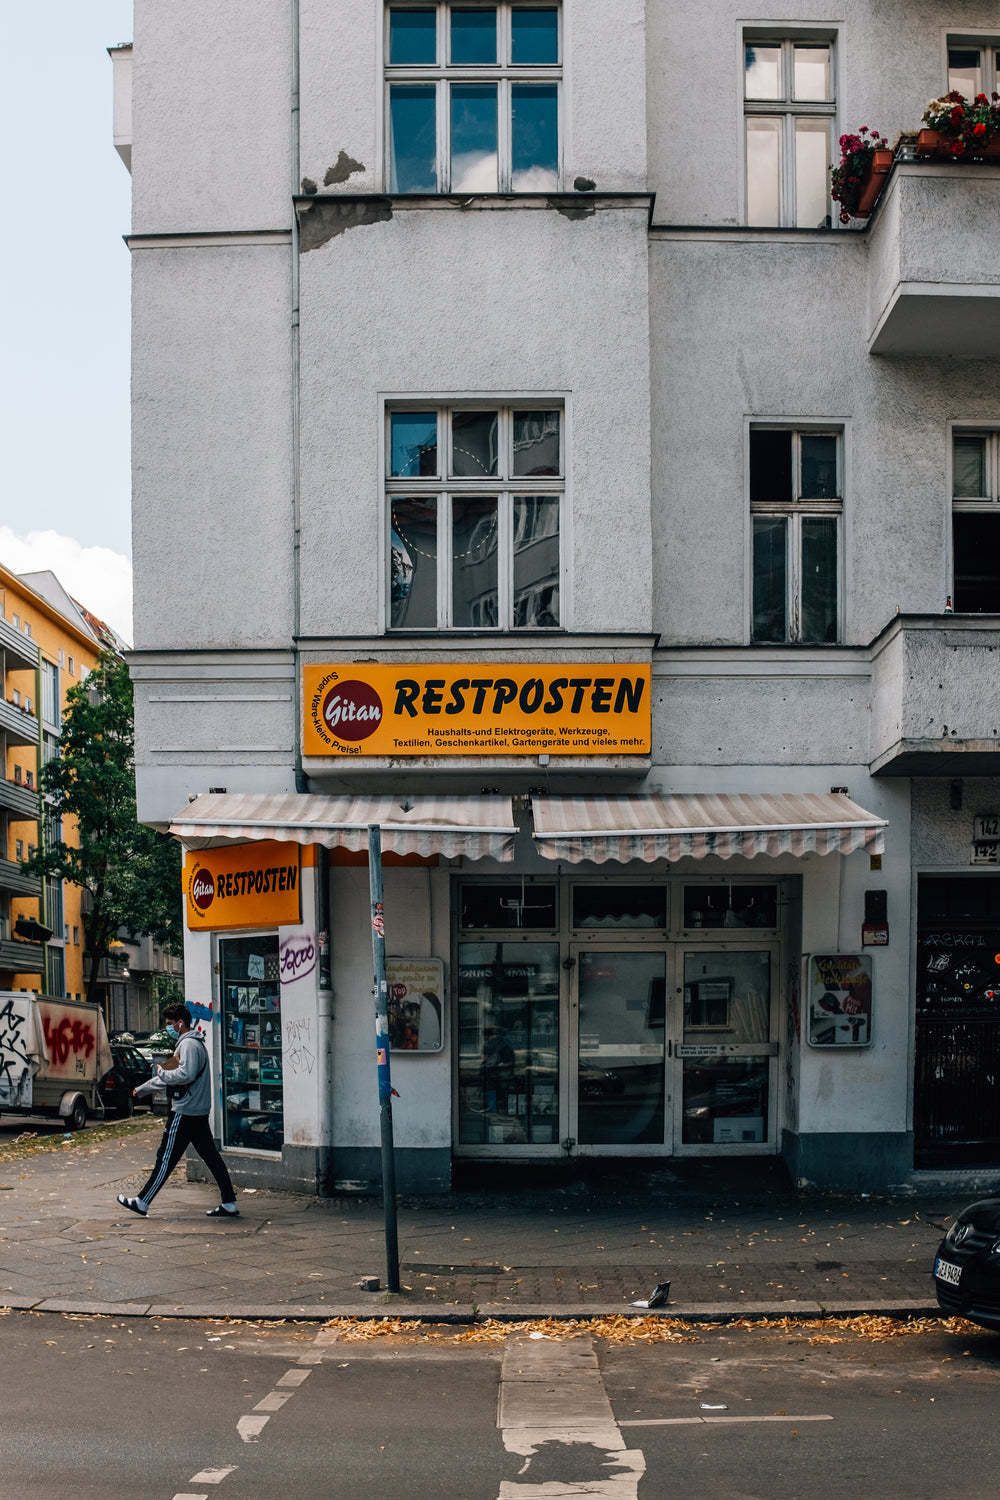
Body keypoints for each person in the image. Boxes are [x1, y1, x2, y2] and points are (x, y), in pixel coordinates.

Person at [116, 1003, 239, 1219]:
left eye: (170, 1024)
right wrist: (143, 1089)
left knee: (165, 1159)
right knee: (211, 1157)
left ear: (180, 1023)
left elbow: (184, 1075)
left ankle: (142, 1202)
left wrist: (162, 1073)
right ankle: (229, 1203)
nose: (168, 1028)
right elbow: (168, 1073)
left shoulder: (189, 1046)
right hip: (196, 1112)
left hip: (184, 1111)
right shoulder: (188, 1045)